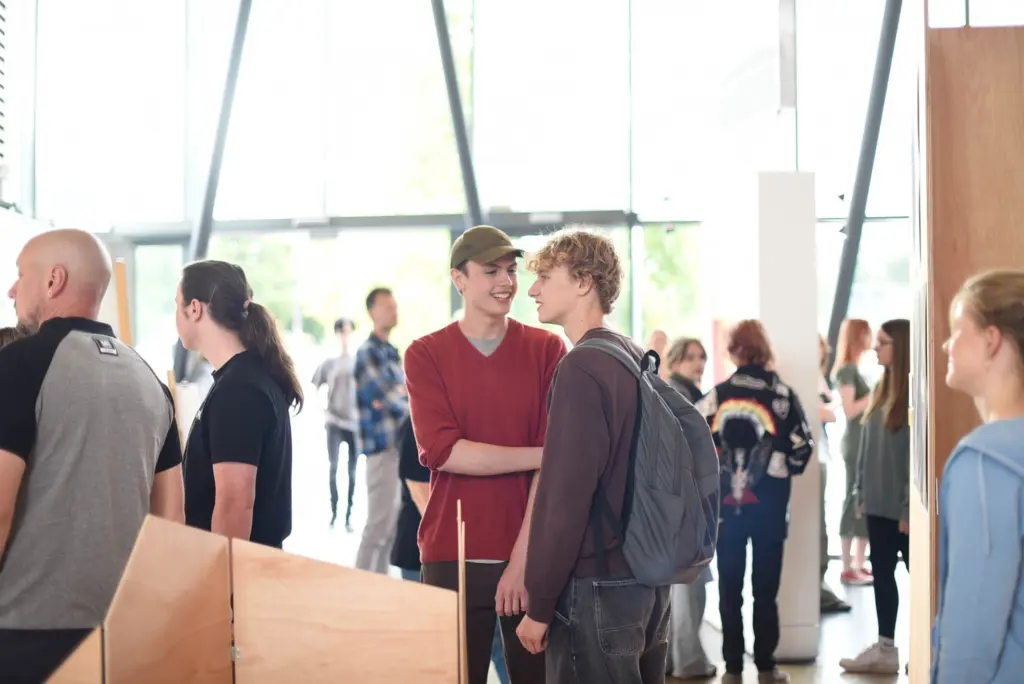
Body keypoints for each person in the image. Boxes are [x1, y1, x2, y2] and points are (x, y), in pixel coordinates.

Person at [0, 229, 184, 682]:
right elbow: (171, 522)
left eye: (20, 275)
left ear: (53, 280)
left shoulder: (17, 365)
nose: (12, 290)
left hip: (24, 635)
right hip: (118, 634)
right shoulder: (150, 382)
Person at [405, 224, 566, 684]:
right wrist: (542, 455)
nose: (506, 282)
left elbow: (553, 470)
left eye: (511, 270)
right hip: (450, 552)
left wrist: (522, 560)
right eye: (491, 271)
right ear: (458, 279)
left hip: (530, 553)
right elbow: (445, 453)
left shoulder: (547, 349)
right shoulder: (425, 354)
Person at [516, 227, 670, 683]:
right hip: (648, 580)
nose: (533, 290)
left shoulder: (581, 367)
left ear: (584, 281)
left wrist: (539, 605)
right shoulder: (633, 355)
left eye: (545, 277)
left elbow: (565, 499)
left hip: (598, 587)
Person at [696, 320, 814, 684]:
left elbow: (692, 441)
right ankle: (766, 667)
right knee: (765, 590)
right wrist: (776, 468)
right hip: (770, 510)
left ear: (734, 351)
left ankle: (732, 668)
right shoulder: (782, 395)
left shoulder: (718, 395)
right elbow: (803, 447)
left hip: (727, 511)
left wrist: (719, 473)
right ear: (763, 349)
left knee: (729, 588)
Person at [933, 269, 1024, 683]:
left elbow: (971, 640)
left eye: (957, 330)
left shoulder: (986, 463)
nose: (946, 345)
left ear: (991, 341)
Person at [176, 260, 302, 549]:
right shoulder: (246, 377)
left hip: (240, 568)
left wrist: (221, 573)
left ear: (194, 309)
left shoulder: (238, 391)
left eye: (176, 304)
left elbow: (234, 504)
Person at [840, 319, 911, 675]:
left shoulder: (914, 393)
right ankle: (886, 649)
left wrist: (907, 508)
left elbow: (915, 458)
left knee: (920, 577)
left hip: (901, 511)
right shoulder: (882, 388)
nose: (875, 347)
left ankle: (932, 646)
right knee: (882, 576)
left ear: (900, 345)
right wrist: (860, 492)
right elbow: (868, 445)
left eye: (882, 342)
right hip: (877, 505)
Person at [663, 336, 717, 680]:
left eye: (702, 357)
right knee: (688, 586)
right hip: (686, 504)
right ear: (676, 360)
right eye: (691, 357)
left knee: (680, 586)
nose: (699, 363)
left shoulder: (685, 394)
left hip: (679, 503)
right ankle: (689, 660)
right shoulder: (680, 396)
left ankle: (674, 659)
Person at [354, 287, 407, 574]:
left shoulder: (391, 352)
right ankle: (361, 588)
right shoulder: (367, 352)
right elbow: (392, 398)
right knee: (377, 527)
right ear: (372, 312)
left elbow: (402, 395)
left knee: (391, 528)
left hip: (398, 447)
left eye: (395, 306)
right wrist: (400, 396)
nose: (393, 311)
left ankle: (380, 587)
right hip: (381, 448)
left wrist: (400, 395)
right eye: (387, 306)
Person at [833, 318, 874, 585]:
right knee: (852, 498)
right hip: (855, 443)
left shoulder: (854, 369)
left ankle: (859, 563)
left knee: (862, 499)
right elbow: (850, 410)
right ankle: (847, 566)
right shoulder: (847, 370)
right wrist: (875, 395)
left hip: (862, 442)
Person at [312, 317, 360, 530]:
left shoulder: (358, 361)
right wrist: (322, 409)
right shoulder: (329, 362)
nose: (345, 336)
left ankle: (348, 516)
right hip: (334, 422)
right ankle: (334, 513)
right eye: (341, 332)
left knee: (352, 472)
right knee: (333, 467)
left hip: (354, 423)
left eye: (348, 332)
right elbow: (315, 385)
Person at [818, 334, 851, 615]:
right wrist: (836, 404)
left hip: (822, 453)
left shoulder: (819, 377)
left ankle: (821, 585)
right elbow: (825, 413)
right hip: (815, 455)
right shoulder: (811, 378)